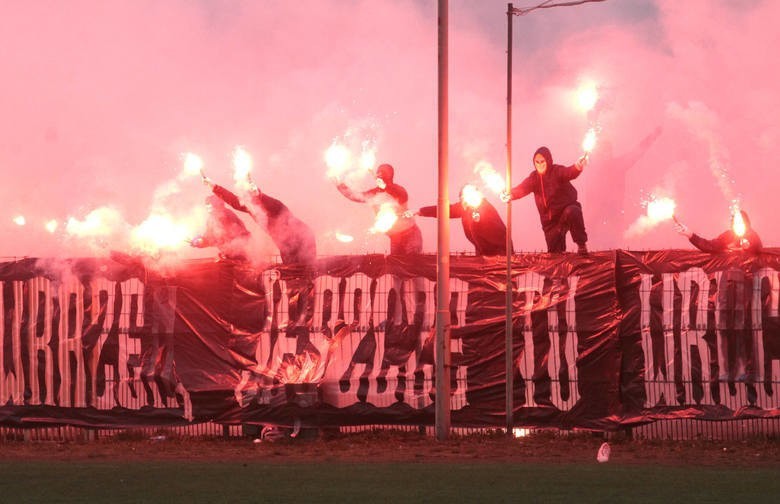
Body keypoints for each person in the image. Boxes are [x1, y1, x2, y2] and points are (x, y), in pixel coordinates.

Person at [202, 173, 317, 267]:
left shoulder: (275, 207)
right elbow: (234, 201)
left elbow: (273, 204)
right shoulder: (252, 208)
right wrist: (214, 187)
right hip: (284, 244)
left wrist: (259, 194)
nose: (246, 202)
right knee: (291, 274)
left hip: (303, 239)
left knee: (305, 271)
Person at [501, 146, 589, 254]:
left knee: (572, 211)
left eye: (542, 161)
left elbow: (569, 172)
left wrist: (577, 167)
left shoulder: (556, 171)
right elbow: (522, 189)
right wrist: (510, 194)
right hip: (550, 223)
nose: (540, 164)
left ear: (548, 160)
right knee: (554, 255)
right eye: (537, 162)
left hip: (565, 212)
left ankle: (581, 245)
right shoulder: (534, 178)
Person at [334, 163, 422, 255]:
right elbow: (355, 196)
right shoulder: (374, 193)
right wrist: (340, 185)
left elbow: (397, 193)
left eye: (383, 172)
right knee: (396, 263)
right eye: (378, 172)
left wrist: (384, 186)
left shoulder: (398, 190)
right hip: (394, 236)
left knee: (412, 263)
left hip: (410, 234)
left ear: (390, 175)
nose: (380, 174)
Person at [414, 184, 511, 256]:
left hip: (500, 254)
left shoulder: (485, 208)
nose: (464, 201)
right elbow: (445, 210)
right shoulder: (465, 208)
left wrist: (478, 221)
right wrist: (421, 211)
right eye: (463, 199)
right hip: (484, 254)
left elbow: (496, 234)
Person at [190, 194, 251, 261]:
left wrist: (230, 251)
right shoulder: (211, 220)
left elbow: (241, 236)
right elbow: (210, 238)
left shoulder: (228, 215)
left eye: (210, 207)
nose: (208, 209)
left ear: (217, 205)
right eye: (207, 207)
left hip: (240, 256)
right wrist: (200, 242)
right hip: (228, 256)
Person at [674, 209, 762, 253]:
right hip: (730, 281)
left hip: (750, 281)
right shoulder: (729, 236)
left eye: (740, 222)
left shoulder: (752, 235)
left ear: (746, 223)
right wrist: (690, 234)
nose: (737, 224)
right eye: (735, 222)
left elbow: (754, 244)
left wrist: (747, 244)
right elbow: (710, 246)